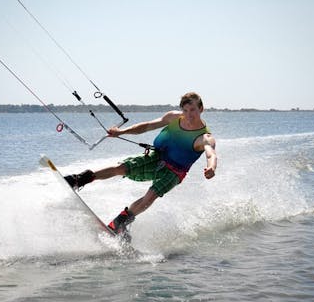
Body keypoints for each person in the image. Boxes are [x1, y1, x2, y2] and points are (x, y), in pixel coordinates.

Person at [64, 92, 217, 235]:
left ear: (201, 109)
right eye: (185, 110)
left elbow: (211, 153)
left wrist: (211, 167)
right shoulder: (173, 117)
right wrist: (121, 132)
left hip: (175, 172)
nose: (188, 114)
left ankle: (121, 222)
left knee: (150, 196)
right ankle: (80, 179)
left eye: (192, 110)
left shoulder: (204, 136)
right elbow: (147, 126)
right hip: (157, 157)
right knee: (121, 168)